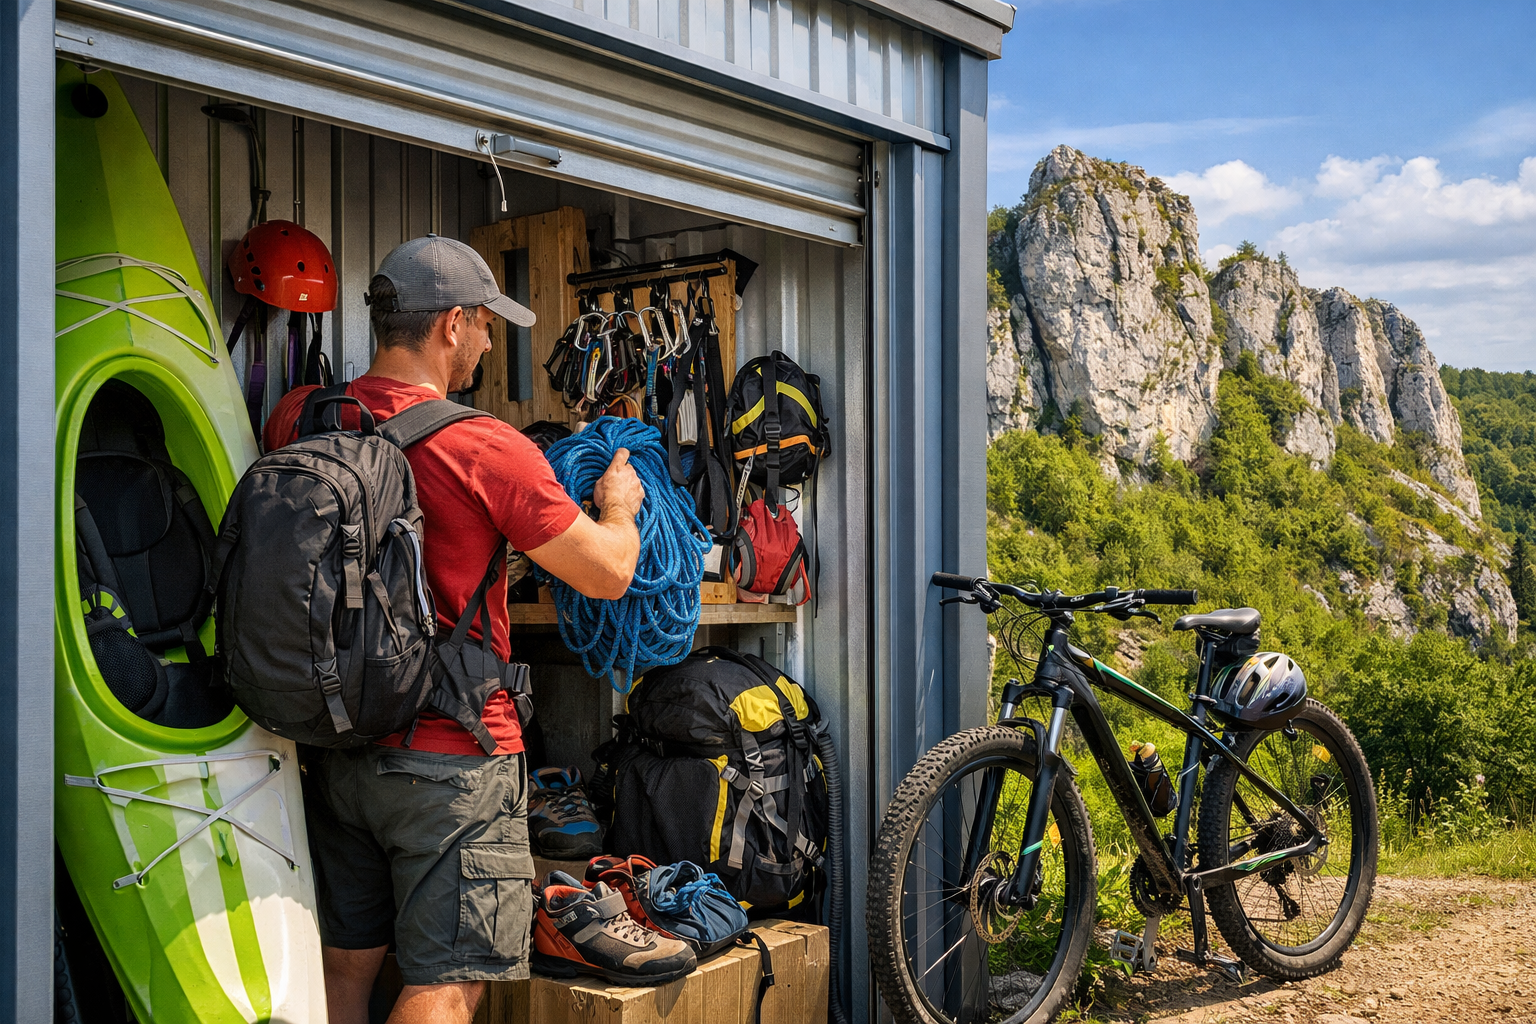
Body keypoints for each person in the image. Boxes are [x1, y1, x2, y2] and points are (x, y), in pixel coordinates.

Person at [262, 235, 645, 1024]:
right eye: (483, 327)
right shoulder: (485, 445)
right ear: (452, 324)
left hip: (334, 747)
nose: (483, 344)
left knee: (345, 970)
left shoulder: (299, 417)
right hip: (454, 759)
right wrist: (619, 507)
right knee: (448, 982)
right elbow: (606, 574)